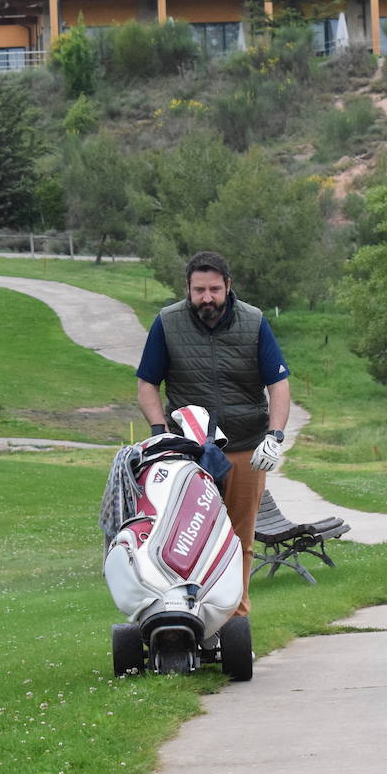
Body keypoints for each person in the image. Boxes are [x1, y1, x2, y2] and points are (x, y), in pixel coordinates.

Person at [135, 251, 291, 617]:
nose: (207, 298)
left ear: (228, 286)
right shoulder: (167, 323)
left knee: (239, 538)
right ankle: (189, 614)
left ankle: (235, 620)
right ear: (187, 289)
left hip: (245, 448)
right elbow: (147, 383)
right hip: (189, 452)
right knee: (187, 535)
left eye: (215, 289)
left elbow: (278, 384)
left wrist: (275, 435)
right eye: (199, 290)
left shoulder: (254, 322)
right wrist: (159, 432)